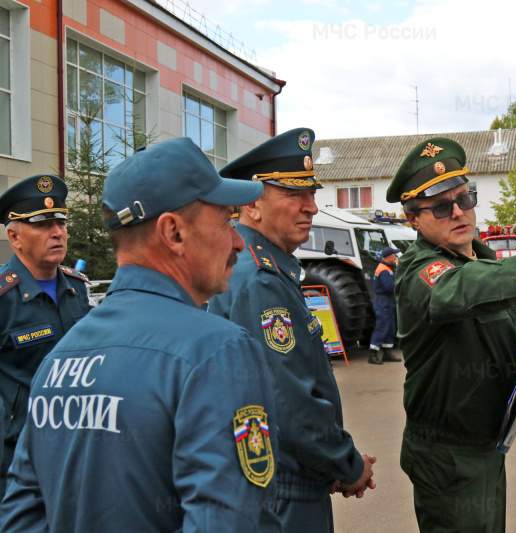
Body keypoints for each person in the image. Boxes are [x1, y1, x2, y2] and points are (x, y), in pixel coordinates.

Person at [0, 138, 282, 532]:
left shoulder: (58, 359)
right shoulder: (217, 350)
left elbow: (22, 516)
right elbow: (228, 522)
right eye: (227, 221)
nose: (237, 242)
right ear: (173, 232)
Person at [387, 137, 516, 532]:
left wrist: (515, 357)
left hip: (486, 446)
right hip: (447, 456)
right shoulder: (419, 269)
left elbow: (482, 319)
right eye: (442, 206)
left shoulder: (481, 255)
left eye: (465, 197)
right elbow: (457, 290)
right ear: (413, 219)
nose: (459, 212)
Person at [208, 128, 376, 533]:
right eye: (294, 194)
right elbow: (289, 399)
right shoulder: (261, 278)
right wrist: (347, 464)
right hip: (281, 488)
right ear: (251, 205)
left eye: (311, 194)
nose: (312, 208)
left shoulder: (261, 266)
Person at [0, 175, 91, 504]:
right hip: (16, 459)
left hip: (76, 448)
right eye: (42, 225)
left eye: (61, 222)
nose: (57, 232)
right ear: (15, 236)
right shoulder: (3, 296)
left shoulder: (76, 286)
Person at [368, 246, 402, 365]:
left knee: (391, 328)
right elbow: (388, 287)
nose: (396, 257)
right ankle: (373, 354)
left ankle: (387, 353)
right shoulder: (383, 269)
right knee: (382, 327)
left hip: (388, 301)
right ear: (389, 257)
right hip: (384, 301)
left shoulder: (388, 267)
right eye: (394, 255)